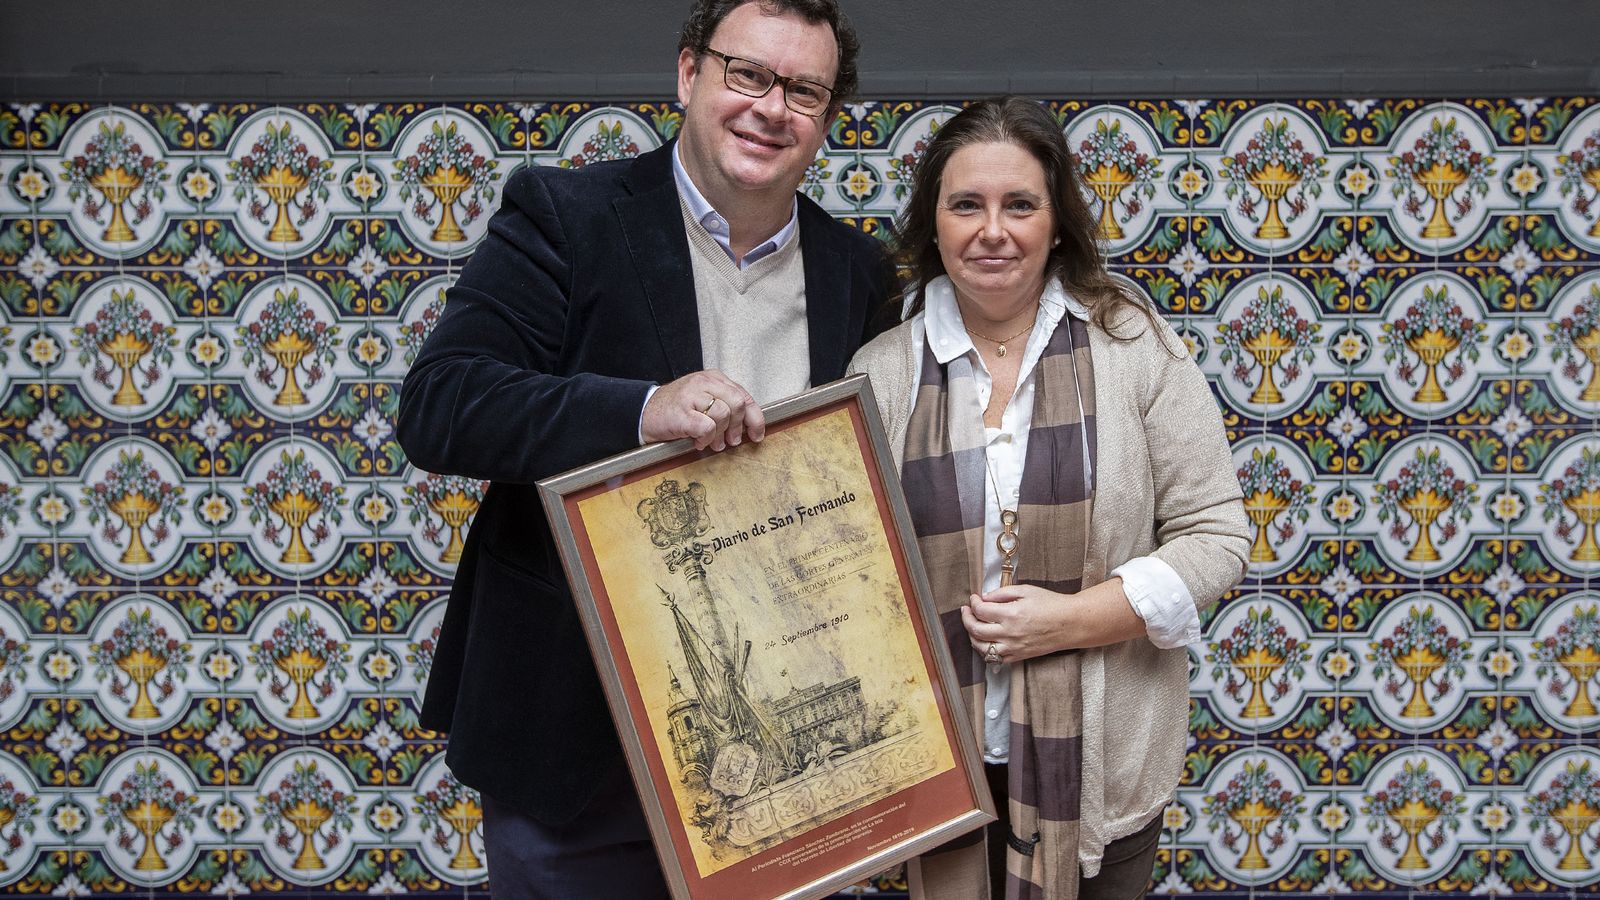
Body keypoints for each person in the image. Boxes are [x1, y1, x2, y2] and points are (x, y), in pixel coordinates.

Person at [395, 1, 894, 896]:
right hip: (576, 742)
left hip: (776, 753)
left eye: (804, 90)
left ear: (828, 117)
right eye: (747, 73)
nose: (770, 106)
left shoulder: (858, 271)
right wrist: (640, 410)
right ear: (688, 75)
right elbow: (442, 404)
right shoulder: (565, 215)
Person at [847, 97, 1250, 900]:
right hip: (934, 764)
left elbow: (1217, 534)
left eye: (1019, 204)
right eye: (967, 204)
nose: (992, 230)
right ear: (934, 226)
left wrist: (1068, 622)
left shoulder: (1135, 346)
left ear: (1056, 223)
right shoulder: (879, 372)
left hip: (1103, 768)